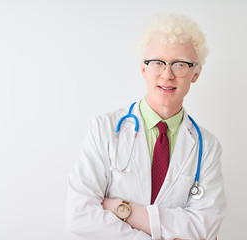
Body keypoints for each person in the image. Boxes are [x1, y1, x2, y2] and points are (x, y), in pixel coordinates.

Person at [66, 13, 226, 240]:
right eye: (158, 63)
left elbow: (204, 228)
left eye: (180, 65)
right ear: (143, 69)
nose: (167, 75)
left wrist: (125, 210)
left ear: (196, 73)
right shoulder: (104, 129)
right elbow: (79, 216)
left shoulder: (207, 147)